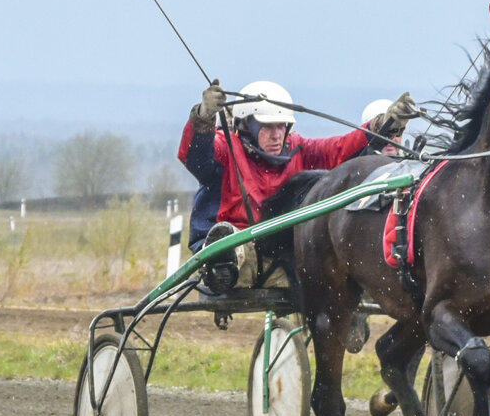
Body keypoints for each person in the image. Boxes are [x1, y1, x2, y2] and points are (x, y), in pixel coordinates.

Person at [178, 79, 415, 286]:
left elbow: (340, 150)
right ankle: (221, 263)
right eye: (267, 126)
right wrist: (202, 119)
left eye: (281, 126)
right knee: (229, 241)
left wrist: (381, 127)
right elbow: (195, 157)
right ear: (246, 125)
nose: (276, 134)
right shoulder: (224, 146)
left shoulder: (299, 149)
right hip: (235, 250)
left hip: (281, 251)